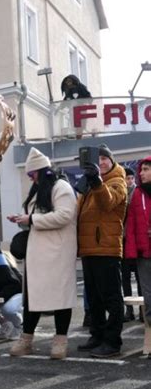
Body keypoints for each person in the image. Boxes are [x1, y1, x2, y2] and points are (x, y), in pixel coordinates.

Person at [8, 147, 78, 360]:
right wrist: (23, 218)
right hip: (38, 253)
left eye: (32, 174)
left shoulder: (61, 187)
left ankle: (60, 342)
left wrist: (31, 220)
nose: (31, 179)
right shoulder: (40, 190)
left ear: (42, 171)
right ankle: (26, 339)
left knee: (60, 297)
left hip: (57, 252)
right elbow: (40, 216)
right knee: (33, 297)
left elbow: (65, 215)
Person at [76, 144, 127, 357]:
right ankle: (96, 335)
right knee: (94, 298)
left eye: (105, 158)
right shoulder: (89, 183)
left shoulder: (118, 182)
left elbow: (107, 203)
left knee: (112, 298)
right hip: (89, 250)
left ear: (112, 160)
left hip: (107, 249)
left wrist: (96, 181)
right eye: (99, 159)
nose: (102, 162)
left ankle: (113, 342)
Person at [124, 156, 151, 327]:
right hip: (144, 255)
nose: (141, 173)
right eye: (141, 170)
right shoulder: (137, 195)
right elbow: (131, 227)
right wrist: (131, 253)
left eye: (146, 169)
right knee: (148, 298)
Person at [122, 166, 142, 321]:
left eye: (131, 178)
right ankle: (129, 310)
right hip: (123, 240)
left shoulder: (139, 193)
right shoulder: (121, 194)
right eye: (127, 178)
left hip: (135, 240)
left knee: (141, 276)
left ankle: (143, 310)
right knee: (126, 277)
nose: (129, 181)